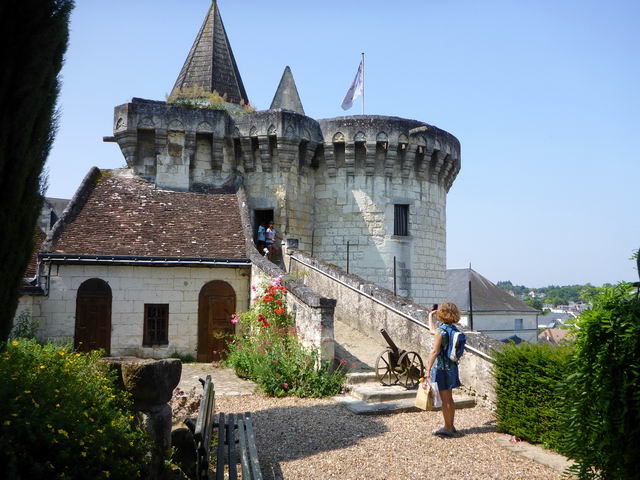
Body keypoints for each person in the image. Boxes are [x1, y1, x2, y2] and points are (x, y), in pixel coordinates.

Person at [424, 301, 462, 437]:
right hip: (452, 367)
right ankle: (450, 425)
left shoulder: (441, 331)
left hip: (441, 369)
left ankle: (447, 428)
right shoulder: (453, 329)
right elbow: (432, 331)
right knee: (449, 398)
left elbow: (435, 352)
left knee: (445, 400)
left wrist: (427, 370)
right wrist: (430, 316)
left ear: (442, 313)